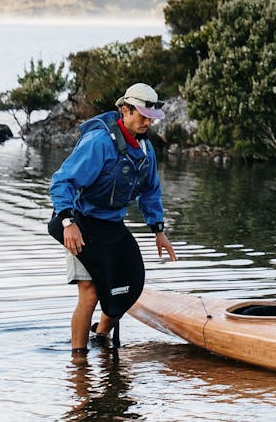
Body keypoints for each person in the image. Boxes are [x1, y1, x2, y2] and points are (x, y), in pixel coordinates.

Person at [47, 83, 176, 356]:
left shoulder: (145, 149)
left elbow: (150, 190)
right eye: (141, 115)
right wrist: (68, 223)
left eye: (150, 117)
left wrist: (158, 230)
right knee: (90, 292)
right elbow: (62, 182)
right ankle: (78, 363)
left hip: (112, 225)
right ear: (125, 110)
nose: (146, 122)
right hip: (80, 221)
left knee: (127, 285)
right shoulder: (99, 143)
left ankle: (101, 336)